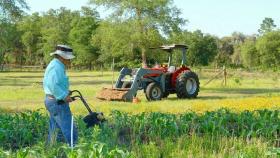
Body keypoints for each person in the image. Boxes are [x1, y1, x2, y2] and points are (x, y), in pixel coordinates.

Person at [43, 44, 78, 146]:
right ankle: (74, 150)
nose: (70, 61)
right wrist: (63, 96)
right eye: (68, 59)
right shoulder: (56, 67)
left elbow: (56, 83)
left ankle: (51, 150)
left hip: (52, 101)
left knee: (54, 130)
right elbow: (52, 84)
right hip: (57, 102)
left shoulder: (56, 65)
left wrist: (66, 91)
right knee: (69, 128)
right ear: (62, 57)